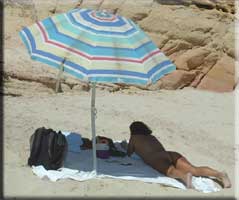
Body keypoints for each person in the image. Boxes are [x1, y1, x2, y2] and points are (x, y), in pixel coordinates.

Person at [126, 121, 231, 189]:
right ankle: (219, 174)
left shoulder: (134, 138)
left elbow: (129, 152)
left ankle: (184, 176)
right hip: (170, 153)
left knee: (171, 171)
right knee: (194, 169)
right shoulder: (151, 137)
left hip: (155, 158)